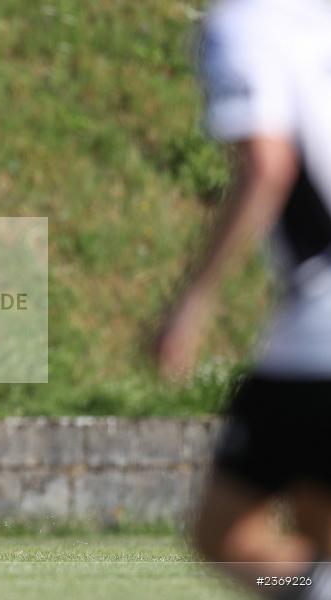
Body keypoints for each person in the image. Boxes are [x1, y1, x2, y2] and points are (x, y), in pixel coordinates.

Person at [155, 0, 331, 596]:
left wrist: (191, 303)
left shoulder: (243, 26)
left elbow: (266, 164)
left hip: (319, 328)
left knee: (222, 534)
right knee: (314, 522)